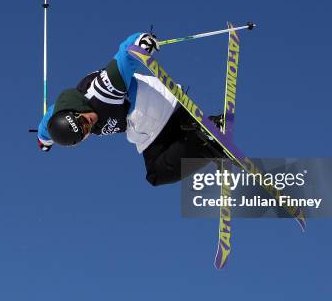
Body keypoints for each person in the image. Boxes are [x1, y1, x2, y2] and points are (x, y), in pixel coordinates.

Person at [36, 32, 222, 186]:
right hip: (150, 128)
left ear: (75, 110)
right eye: (85, 131)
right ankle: (202, 133)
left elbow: (124, 58)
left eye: (82, 120)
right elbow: (46, 125)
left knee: (160, 168)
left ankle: (206, 140)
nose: (88, 123)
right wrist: (44, 142)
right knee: (156, 175)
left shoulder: (103, 90)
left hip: (158, 107)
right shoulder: (59, 115)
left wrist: (140, 41)